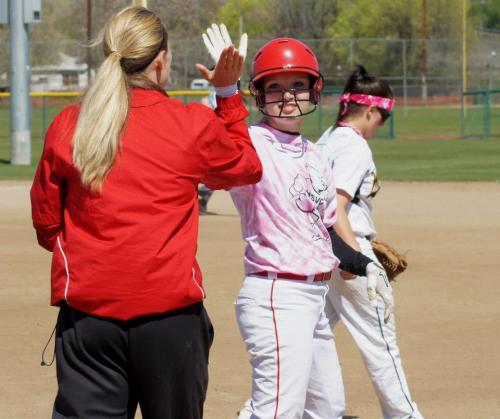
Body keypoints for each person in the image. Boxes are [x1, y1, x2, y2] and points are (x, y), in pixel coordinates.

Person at [30, 6, 262, 419]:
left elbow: (48, 225)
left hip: (88, 321)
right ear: (161, 61)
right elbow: (246, 168)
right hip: (170, 322)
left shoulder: (70, 123)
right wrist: (227, 96)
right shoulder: (189, 123)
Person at [201, 30, 393, 419]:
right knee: (277, 411)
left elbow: (323, 233)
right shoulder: (251, 143)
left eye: (297, 85)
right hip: (276, 295)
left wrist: (364, 264)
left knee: (326, 408)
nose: (288, 96)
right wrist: (225, 91)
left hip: (314, 298)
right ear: (259, 94)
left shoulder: (316, 154)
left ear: (313, 90)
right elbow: (224, 138)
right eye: (275, 87)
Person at [317, 65, 424, 419]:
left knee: (311, 335)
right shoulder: (353, 147)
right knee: (381, 344)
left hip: (320, 252)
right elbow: (336, 204)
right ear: (370, 110)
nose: (384, 122)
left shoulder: (326, 140)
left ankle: (270, 408)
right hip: (348, 252)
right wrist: (354, 258)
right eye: (385, 115)